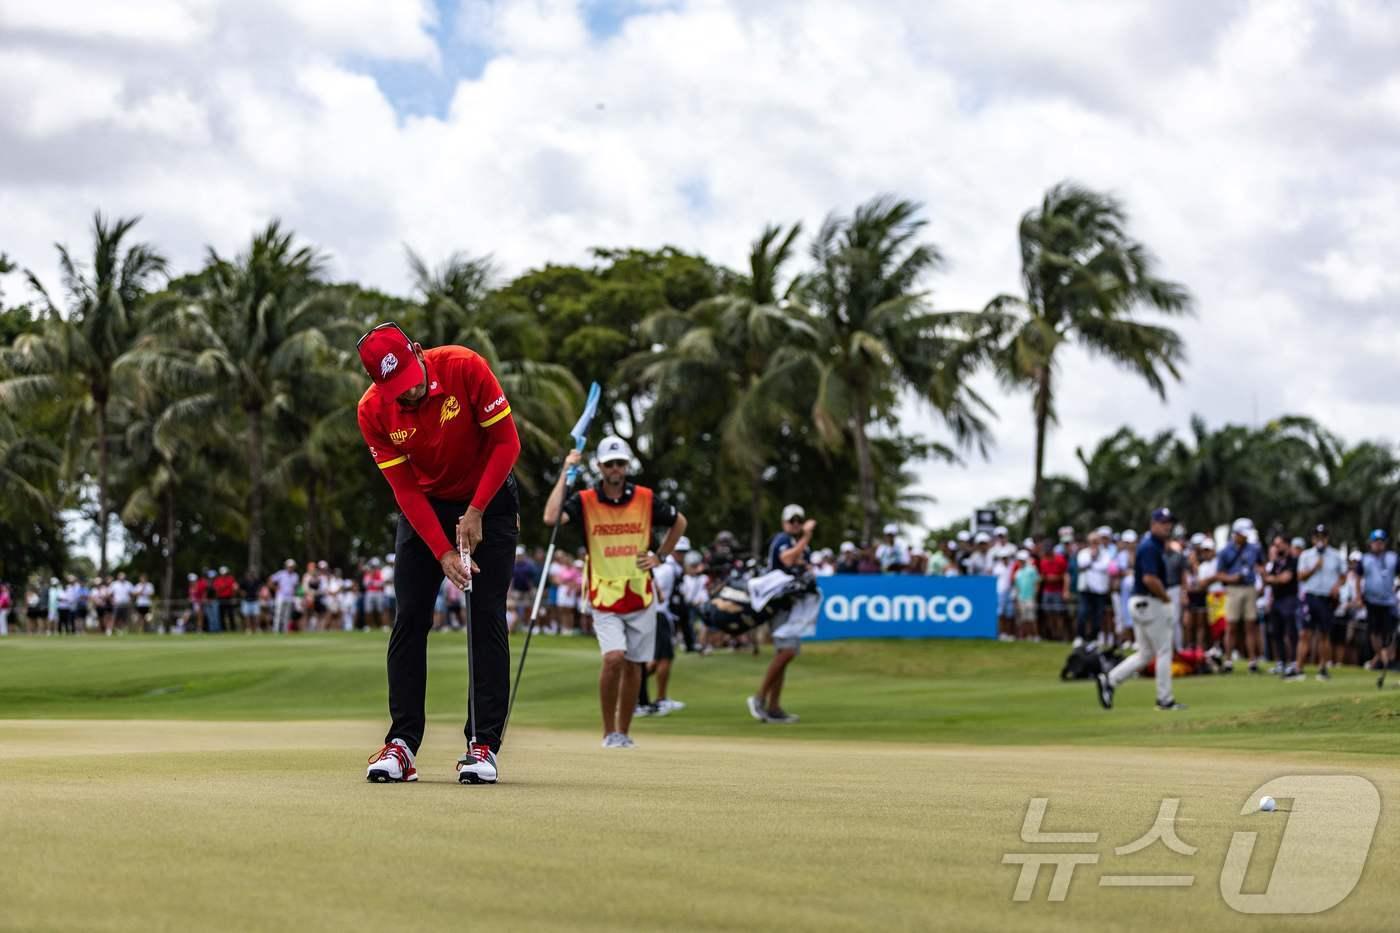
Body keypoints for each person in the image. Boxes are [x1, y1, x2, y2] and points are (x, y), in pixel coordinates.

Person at [356, 321, 522, 785]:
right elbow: (405, 490)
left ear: (418, 352)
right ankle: (402, 745)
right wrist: (443, 550)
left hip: (490, 496)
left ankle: (483, 744)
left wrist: (476, 511)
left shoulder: (465, 367)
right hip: (425, 508)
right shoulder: (373, 411)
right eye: (396, 391)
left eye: (411, 383)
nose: (407, 396)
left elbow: (508, 443)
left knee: (485, 614)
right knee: (410, 617)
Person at [545, 436, 686, 748]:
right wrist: (565, 471)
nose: (615, 469)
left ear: (627, 466)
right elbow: (551, 517)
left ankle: (623, 731)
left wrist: (660, 556)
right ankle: (609, 732)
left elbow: (679, 522)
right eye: (609, 464)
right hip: (604, 594)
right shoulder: (584, 500)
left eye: (620, 463)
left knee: (635, 664)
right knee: (614, 658)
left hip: (640, 593)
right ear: (600, 467)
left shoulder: (646, 498)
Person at [1096, 509, 1186, 712]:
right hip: (1150, 602)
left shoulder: (1154, 545)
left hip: (1142, 602)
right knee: (1164, 651)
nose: (1167, 526)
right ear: (1153, 523)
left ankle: (1110, 680)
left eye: (1169, 522)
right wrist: (1166, 600)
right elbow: (1149, 579)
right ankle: (1165, 699)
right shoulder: (1150, 547)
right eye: (1163, 522)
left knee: (1145, 654)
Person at [748, 503, 818, 723]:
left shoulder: (799, 544)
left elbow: (802, 565)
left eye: (799, 521)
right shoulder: (782, 539)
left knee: (786, 654)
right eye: (792, 521)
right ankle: (759, 698)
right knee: (786, 652)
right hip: (779, 603)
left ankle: (774, 707)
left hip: (794, 604)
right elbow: (787, 559)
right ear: (784, 522)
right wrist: (806, 537)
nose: (795, 524)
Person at [1295, 525, 1344, 681]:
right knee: (1305, 633)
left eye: (1323, 536)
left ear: (1327, 538)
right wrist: (1315, 567)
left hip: (1327, 599)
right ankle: (1299, 668)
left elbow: (1343, 575)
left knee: (1324, 634)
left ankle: (1323, 668)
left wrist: (1337, 587)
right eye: (1317, 537)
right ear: (1313, 539)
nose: (1320, 540)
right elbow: (1301, 576)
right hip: (1310, 597)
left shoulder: (1336, 556)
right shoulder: (1306, 555)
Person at [1217, 518, 1264, 672]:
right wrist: (1232, 578)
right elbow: (1220, 574)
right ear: (1236, 533)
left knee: (1250, 625)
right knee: (1231, 626)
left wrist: (1262, 579)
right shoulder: (1225, 551)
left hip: (1249, 588)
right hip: (1233, 589)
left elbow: (1260, 566)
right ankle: (1228, 660)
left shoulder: (1254, 549)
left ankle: (1252, 661)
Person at [1360, 529, 1398, 689]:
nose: (1378, 544)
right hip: (1372, 602)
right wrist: (1358, 596)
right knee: (1374, 633)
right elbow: (1357, 577)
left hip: (1389, 603)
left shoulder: (1393, 558)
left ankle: (1384, 659)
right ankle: (1381, 659)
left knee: (1389, 635)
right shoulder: (1365, 559)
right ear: (1371, 543)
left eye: (1381, 542)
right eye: (1376, 541)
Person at [1263, 535, 1300, 678]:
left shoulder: (1293, 561)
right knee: (1276, 632)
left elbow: (1286, 579)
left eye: (1279, 545)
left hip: (1289, 599)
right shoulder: (1276, 563)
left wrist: (1273, 579)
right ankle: (1281, 662)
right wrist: (1273, 579)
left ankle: (1294, 662)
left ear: (1286, 545)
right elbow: (1267, 579)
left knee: (1290, 633)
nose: (1276, 548)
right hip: (1276, 600)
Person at [1076, 530, 1112, 646]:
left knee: (1098, 615)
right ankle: (1080, 637)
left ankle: (1093, 638)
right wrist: (1092, 558)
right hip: (1085, 589)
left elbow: (1104, 567)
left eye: (1096, 541)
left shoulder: (1106, 554)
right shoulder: (1083, 553)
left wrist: (1091, 565)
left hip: (1100, 590)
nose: (1094, 543)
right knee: (1083, 612)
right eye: (1092, 541)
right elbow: (1082, 564)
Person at [1012, 550, 1040, 641]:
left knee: (1032, 618)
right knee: (1023, 619)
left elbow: (1036, 583)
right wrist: (1017, 599)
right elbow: (1017, 587)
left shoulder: (1032, 569)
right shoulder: (1017, 572)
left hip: (1030, 597)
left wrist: (1035, 595)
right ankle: (1027, 636)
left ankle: (1035, 636)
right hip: (1021, 598)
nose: (1019, 562)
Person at [269, 560, 299, 635]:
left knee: (287, 615)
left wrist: (294, 593)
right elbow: (271, 580)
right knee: (278, 614)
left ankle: (285, 630)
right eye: (289, 566)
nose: (290, 568)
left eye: (292, 567)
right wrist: (276, 588)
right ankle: (276, 630)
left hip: (289, 597)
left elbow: (295, 586)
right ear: (286, 566)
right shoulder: (281, 573)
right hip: (280, 596)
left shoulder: (295, 575)